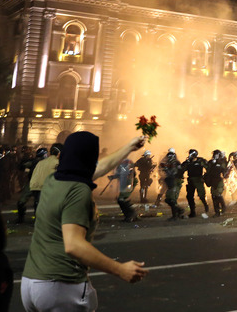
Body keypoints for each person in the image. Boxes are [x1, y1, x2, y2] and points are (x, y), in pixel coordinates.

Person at [20, 132, 148, 311]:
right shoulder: (79, 190)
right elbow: (73, 245)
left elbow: (99, 167)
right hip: (61, 286)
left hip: (31, 284)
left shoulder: (54, 180)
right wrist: (120, 269)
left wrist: (129, 146)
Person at [16, 147, 48, 224]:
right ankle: (22, 218)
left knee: (36, 203)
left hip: (40, 184)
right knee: (23, 202)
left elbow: (22, 166)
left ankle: (36, 220)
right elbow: (22, 166)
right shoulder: (35, 162)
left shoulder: (42, 162)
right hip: (33, 183)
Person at [108, 158, 139, 222]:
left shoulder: (127, 163)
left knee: (122, 199)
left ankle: (131, 215)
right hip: (126, 182)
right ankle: (130, 215)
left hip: (129, 182)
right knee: (121, 200)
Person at [182, 149, 210, 218]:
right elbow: (182, 169)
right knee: (189, 196)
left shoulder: (200, 161)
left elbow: (208, 168)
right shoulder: (188, 162)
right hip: (190, 180)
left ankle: (205, 205)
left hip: (198, 180)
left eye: (190, 154)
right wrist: (186, 163)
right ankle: (192, 212)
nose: (189, 156)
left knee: (201, 195)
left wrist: (205, 176)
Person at [160, 149, 185, 220]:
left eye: (171, 156)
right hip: (171, 182)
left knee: (171, 199)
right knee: (169, 199)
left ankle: (176, 214)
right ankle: (178, 212)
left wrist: (168, 170)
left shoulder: (176, 163)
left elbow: (177, 172)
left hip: (175, 182)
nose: (169, 158)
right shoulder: (168, 163)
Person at [205, 149, 229, 216]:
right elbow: (207, 170)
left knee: (218, 194)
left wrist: (222, 160)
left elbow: (225, 170)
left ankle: (223, 206)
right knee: (213, 196)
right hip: (212, 180)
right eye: (214, 154)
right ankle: (217, 212)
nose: (215, 156)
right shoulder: (211, 162)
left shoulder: (222, 162)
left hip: (219, 180)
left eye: (217, 154)